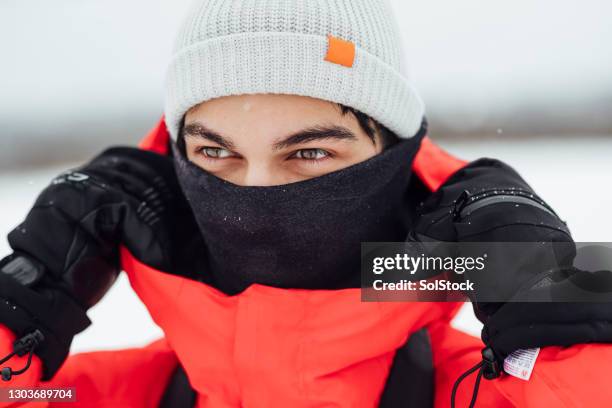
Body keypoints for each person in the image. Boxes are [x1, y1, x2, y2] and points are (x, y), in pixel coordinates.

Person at [1, 1, 612, 407]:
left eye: (311, 153)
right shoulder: (116, 395)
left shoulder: (476, 391)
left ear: (395, 165)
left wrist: (565, 306)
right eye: (216, 153)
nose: (255, 194)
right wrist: (21, 304)